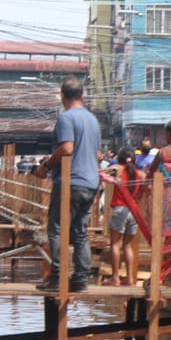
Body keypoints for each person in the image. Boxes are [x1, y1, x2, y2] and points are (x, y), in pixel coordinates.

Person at [35, 77, 102, 293]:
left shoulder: (66, 118)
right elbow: (98, 154)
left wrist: (46, 165)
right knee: (80, 232)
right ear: (82, 96)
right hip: (91, 182)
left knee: (56, 230)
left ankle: (57, 277)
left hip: (70, 182)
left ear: (62, 96)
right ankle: (80, 279)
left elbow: (67, 149)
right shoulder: (93, 120)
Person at [102, 148, 143, 286]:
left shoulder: (118, 169)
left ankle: (115, 278)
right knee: (127, 246)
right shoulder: (140, 174)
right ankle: (130, 279)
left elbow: (101, 173)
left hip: (120, 210)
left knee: (115, 244)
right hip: (133, 211)